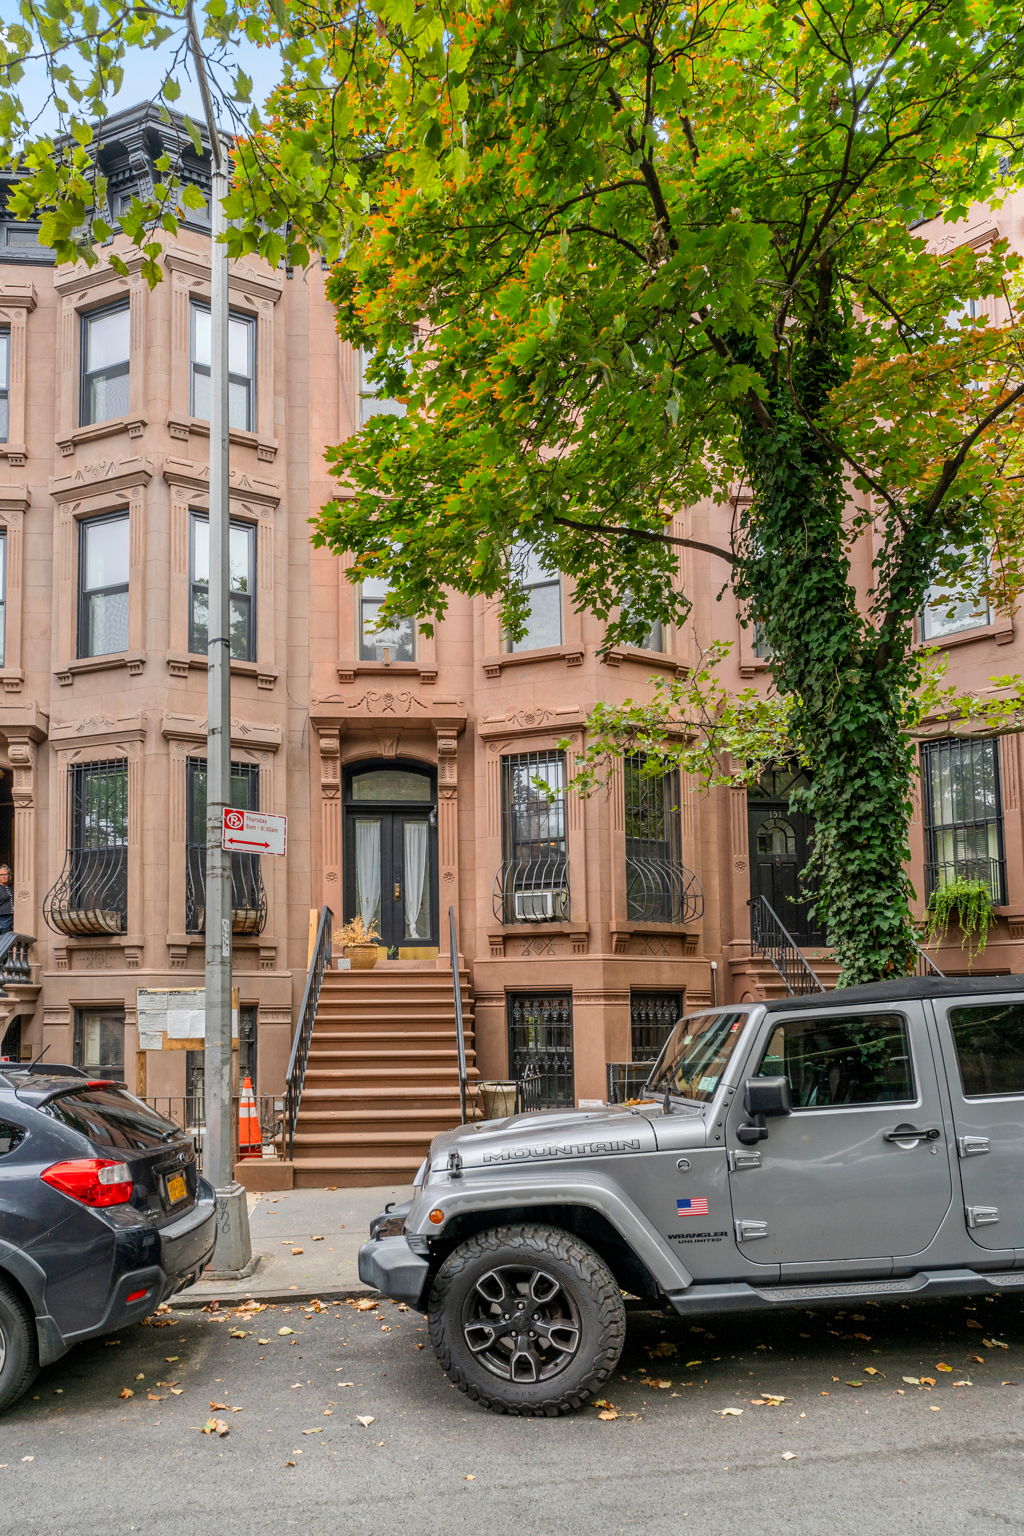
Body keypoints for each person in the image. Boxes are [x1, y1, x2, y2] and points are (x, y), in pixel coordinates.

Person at [0, 865, 13, 935]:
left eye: (6, 874)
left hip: (11, 917)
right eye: (1, 875)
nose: (4, 876)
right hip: (2, 918)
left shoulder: (11, 887)